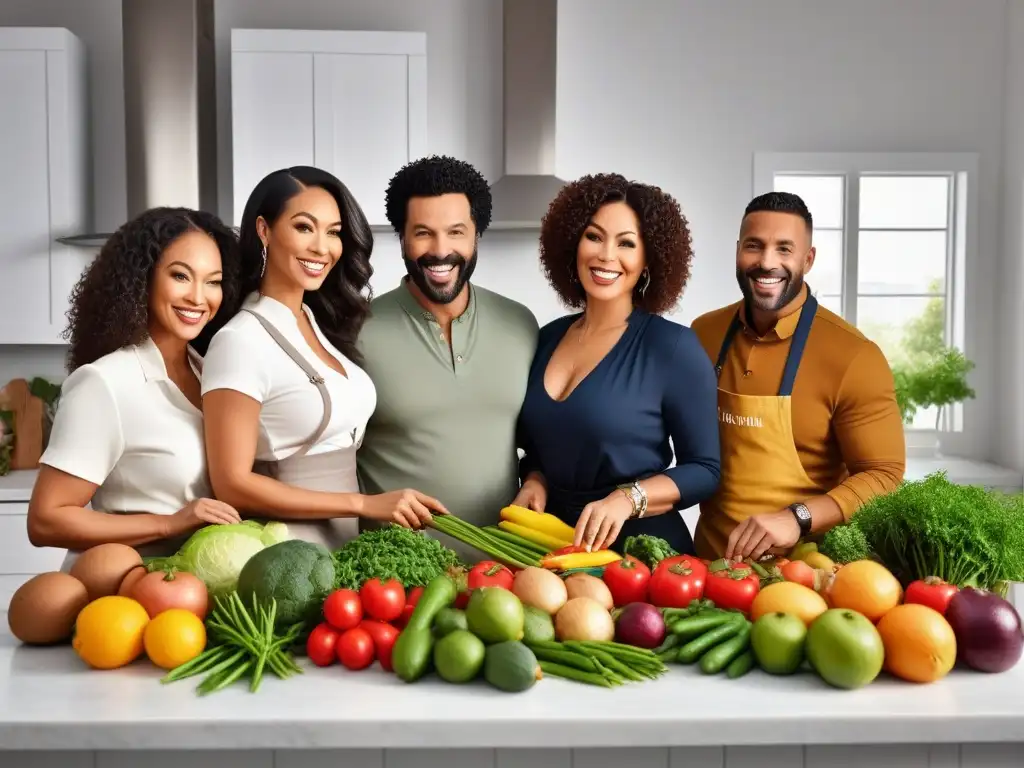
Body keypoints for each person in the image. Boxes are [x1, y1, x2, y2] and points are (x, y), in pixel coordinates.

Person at [201, 166, 448, 550]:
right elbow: (231, 483)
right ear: (264, 231)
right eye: (304, 227)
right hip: (285, 553)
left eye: (333, 232)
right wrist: (363, 504)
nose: (322, 247)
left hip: (345, 548)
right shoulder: (239, 342)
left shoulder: (317, 324)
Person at [690, 191, 906, 561]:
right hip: (707, 570)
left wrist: (798, 517)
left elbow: (884, 475)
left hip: (807, 578)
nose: (766, 262)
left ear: (808, 259)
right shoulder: (702, 333)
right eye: (754, 246)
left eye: (784, 249)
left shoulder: (855, 356)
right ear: (738, 251)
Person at [514, 173, 721, 555]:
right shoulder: (546, 338)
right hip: (554, 548)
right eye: (594, 236)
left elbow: (705, 470)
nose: (606, 255)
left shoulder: (673, 347)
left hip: (643, 553)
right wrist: (535, 479)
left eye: (626, 243)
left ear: (648, 261)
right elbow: (541, 448)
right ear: (572, 244)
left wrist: (628, 498)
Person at [27, 207, 243, 568]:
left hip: (206, 587)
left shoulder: (214, 374)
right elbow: (46, 519)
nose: (198, 297)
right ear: (143, 278)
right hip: (128, 586)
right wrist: (169, 523)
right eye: (180, 276)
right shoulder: (105, 383)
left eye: (213, 281)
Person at [356, 156, 538, 556]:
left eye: (456, 232)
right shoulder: (354, 331)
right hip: (392, 584)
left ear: (477, 235)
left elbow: (539, 439)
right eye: (423, 233)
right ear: (401, 238)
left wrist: (537, 477)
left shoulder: (520, 325)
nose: (441, 251)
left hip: (504, 575)